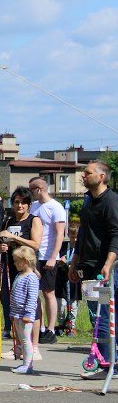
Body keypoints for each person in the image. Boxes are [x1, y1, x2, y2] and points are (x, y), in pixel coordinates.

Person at [70, 160, 118, 377]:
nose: (83, 176)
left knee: (105, 316)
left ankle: (108, 364)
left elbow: (116, 235)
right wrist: (74, 262)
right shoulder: (88, 201)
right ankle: (105, 361)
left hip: (105, 269)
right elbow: (82, 235)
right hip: (88, 268)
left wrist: (108, 264)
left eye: (87, 173)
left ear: (101, 177)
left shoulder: (111, 201)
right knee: (95, 316)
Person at [0, 187, 42, 356]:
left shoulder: (34, 220)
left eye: (23, 202)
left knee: (32, 307)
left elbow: (36, 244)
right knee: (14, 307)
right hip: (11, 266)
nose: (20, 205)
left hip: (29, 269)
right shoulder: (8, 221)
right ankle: (18, 346)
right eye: (16, 202)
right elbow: (2, 241)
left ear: (29, 205)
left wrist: (15, 238)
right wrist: (2, 246)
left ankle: (34, 347)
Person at [28, 177, 67, 345]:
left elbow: (60, 234)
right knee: (34, 293)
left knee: (48, 292)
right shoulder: (35, 207)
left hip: (49, 256)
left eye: (31, 190)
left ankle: (51, 329)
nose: (30, 193)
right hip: (36, 255)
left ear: (39, 189)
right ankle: (41, 327)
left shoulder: (55, 207)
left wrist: (53, 256)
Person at [8, 246, 40, 376]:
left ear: (25, 261)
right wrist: (12, 313)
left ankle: (28, 365)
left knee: (26, 339)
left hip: (25, 316)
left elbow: (32, 299)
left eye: (16, 261)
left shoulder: (31, 278)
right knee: (22, 339)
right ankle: (25, 363)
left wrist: (28, 314)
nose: (14, 263)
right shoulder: (19, 276)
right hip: (17, 314)